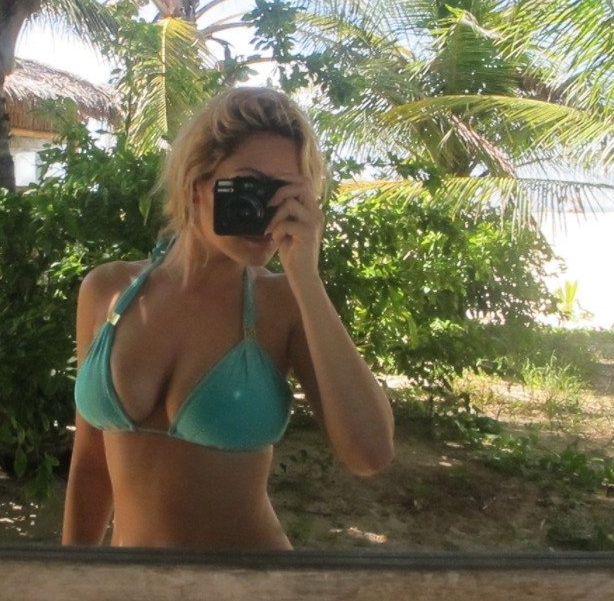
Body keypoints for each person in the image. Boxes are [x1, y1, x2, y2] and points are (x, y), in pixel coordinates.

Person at [62, 87, 394, 550]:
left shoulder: (283, 304)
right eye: (249, 186)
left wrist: (306, 277)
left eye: (285, 193)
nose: (267, 211)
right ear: (196, 183)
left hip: (253, 585)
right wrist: (73, 579)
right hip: (133, 587)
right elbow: (91, 465)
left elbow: (369, 454)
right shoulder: (108, 292)